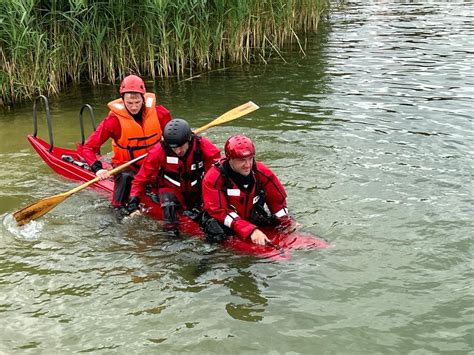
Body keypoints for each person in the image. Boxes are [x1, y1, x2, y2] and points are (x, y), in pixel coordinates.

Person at [81, 74, 171, 214]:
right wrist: (98, 169)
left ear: (143, 98)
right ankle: (118, 210)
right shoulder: (113, 121)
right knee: (125, 176)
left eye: (137, 102)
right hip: (127, 166)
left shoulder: (160, 113)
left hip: (154, 163)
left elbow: (173, 138)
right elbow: (87, 148)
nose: (134, 107)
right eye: (129, 103)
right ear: (123, 101)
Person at [126, 118, 221, 234]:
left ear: (189, 139)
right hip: (171, 190)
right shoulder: (158, 151)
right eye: (174, 148)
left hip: (197, 189)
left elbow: (217, 175)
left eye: (181, 146)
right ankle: (171, 239)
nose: (178, 151)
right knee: (169, 205)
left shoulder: (203, 147)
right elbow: (141, 179)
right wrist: (133, 203)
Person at [201, 134, 290, 246]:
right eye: (242, 160)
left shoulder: (261, 172)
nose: (248, 165)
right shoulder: (213, 178)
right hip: (223, 222)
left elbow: (278, 202)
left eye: (250, 159)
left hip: (250, 218)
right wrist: (250, 230)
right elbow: (219, 211)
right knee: (214, 231)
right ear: (230, 159)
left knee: (273, 220)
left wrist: (287, 223)